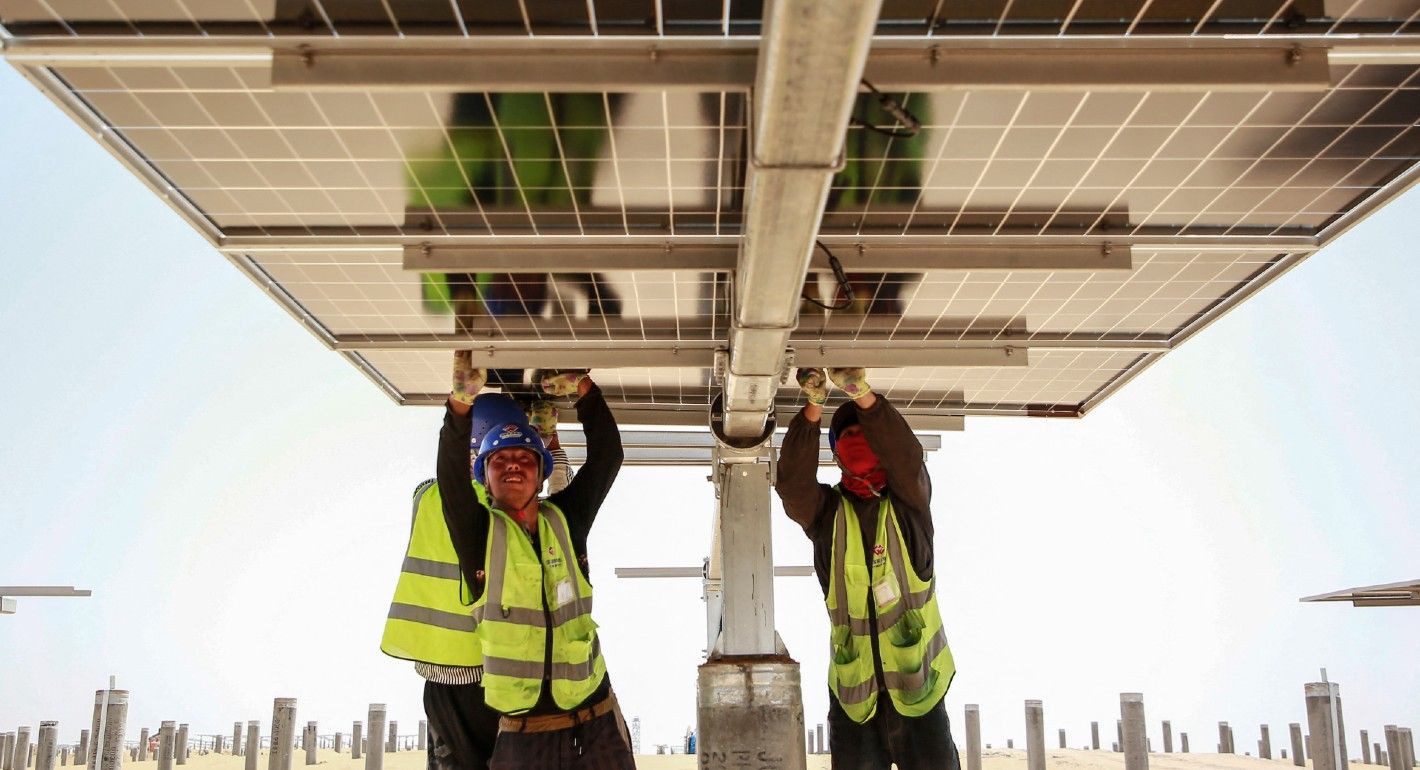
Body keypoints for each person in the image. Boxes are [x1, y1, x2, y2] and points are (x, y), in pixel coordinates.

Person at [438, 352, 634, 770]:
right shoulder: (478, 537)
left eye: (526, 459)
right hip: (524, 738)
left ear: (542, 473)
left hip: (595, 723)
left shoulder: (567, 520)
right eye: (500, 461)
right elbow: (450, 480)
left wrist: (584, 389)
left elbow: (608, 456)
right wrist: (458, 407)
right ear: (484, 476)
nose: (514, 466)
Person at [774, 367, 960, 770]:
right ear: (836, 455)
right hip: (855, 701)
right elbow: (792, 486)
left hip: (918, 692)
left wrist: (864, 398)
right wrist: (812, 409)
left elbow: (906, 458)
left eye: (867, 434)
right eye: (849, 438)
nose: (860, 444)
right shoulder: (827, 516)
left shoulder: (910, 504)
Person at [382, 392, 578, 770]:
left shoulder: (426, 495)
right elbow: (557, 501)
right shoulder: (496, 508)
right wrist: (547, 440)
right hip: (493, 672)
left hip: (438, 676)